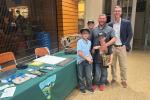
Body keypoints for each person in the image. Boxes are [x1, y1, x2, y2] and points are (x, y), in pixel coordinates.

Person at [108, 6, 133, 88]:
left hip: (122, 47)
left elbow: (130, 34)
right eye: (115, 11)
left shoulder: (127, 22)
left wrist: (125, 44)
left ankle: (123, 80)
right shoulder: (110, 24)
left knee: (123, 65)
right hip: (113, 47)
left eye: (118, 11)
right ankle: (114, 78)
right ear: (114, 13)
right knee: (113, 64)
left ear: (121, 12)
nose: (117, 12)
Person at [91, 14, 116, 91]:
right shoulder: (94, 30)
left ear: (106, 19)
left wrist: (105, 45)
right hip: (96, 55)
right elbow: (91, 41)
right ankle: (95, 83)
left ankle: (102, 83)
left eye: (103, 18)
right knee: (96, 71)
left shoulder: (110, 29)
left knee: (104, 72)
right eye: (100, 18)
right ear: (98, 19)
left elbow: (114, 38)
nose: (102, 20)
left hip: (106, 55)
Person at [77, 28, 94, 93]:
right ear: (81, 34)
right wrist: (87, 58)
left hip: (87, 61)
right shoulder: (79, 41)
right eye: (83, 33)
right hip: (80, 61)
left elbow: (88, 52)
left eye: (87, 33)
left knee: (89, 75)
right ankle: (82, 87)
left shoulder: (89, 42)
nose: (85, 34)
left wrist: (91, 58)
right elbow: (80, 53)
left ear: (89, 34)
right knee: (81, 76)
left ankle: (89, 87)